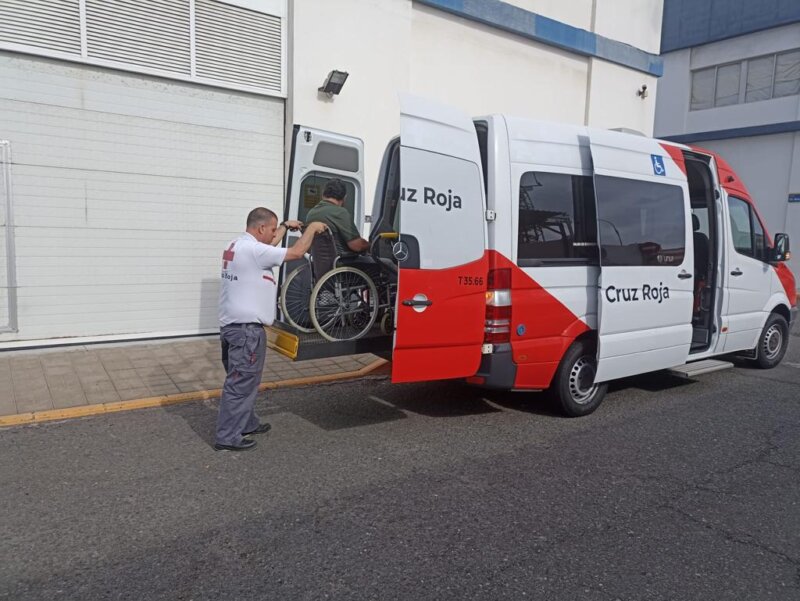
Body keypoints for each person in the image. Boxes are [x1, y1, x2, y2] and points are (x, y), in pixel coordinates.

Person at [215, 208, 327, 451]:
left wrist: (286, 225)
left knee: (244, 381)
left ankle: (247, 423)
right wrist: (312, 228)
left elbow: (272, 244)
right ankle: (228, 436)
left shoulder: (237, 244)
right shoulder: (254, 251)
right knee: (241, 383)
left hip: (232, 328)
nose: (275, 233)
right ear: (261, 228)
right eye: (273, 228)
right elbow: (297, 251)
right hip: (246, 332)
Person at [305, 178, 370, 253]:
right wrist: (370, 245)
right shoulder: (340, 213)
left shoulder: (311, 212)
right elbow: (356, 246)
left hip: (318, 262)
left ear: (323, 194)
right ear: (344, 197)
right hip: (343, 261)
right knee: (385, 262)